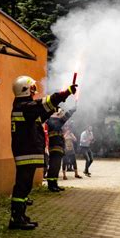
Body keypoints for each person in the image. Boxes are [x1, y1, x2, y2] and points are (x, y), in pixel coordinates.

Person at [10, 75, 76, 230]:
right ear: (25, 89)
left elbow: (41, 113)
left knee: (25, 186)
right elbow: (42, 104)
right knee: (22, 186)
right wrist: (64, 93)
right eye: (32, 88)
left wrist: (54, 106)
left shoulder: (24, 107)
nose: (34, 90)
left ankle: (20, 216)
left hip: (26, 151)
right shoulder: (24, 106)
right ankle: (16, 219)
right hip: (26, 151)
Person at [46, 108, 76, 191]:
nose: (61, 113)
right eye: (59, 112)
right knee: (54, 166)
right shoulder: (52, 121)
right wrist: (71, 111)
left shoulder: (54, 121)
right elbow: (63, 119)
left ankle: (54, 184)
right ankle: (51, 185)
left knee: (57, 166)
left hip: (58, 147)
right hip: (55, 147)